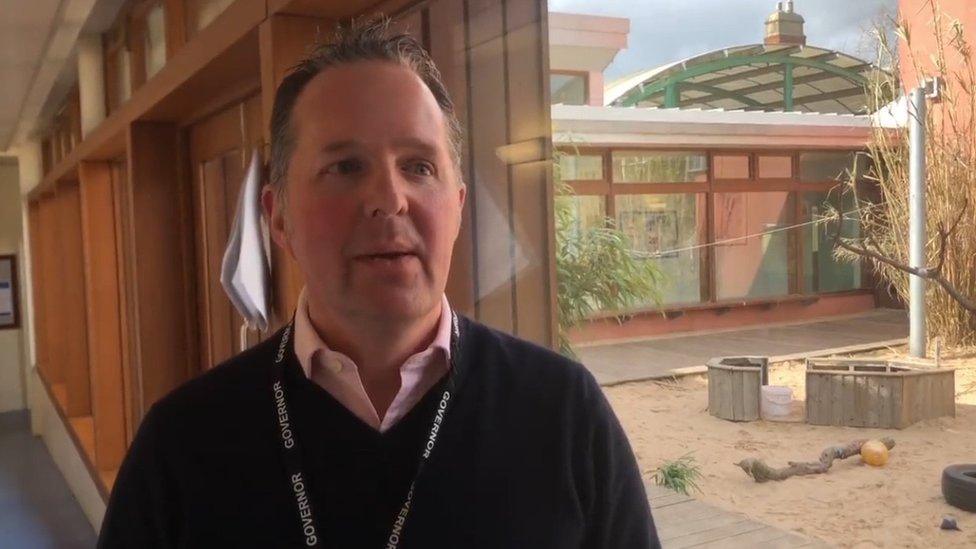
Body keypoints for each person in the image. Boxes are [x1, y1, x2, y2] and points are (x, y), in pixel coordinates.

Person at [98, 18, 659, 549]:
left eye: (418, 166)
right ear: (279, 216)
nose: (389, 200)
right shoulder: (183, 442)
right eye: (345, 167)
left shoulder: (562, 413)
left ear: (458, 207)